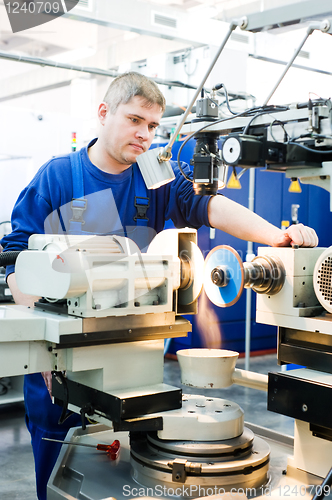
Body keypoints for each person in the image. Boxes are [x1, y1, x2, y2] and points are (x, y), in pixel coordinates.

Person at [0, 72, 318, 500]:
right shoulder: (58, 177)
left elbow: (208, 203)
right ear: (103, 113)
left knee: (121, 482)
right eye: (134, 120)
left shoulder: (156, 174)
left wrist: (277, 238)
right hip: (61, 373)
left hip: (134, 366)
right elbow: (16, 259)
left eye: (153, 126)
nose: (145, 135)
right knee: (61, 483)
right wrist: (45, 340)